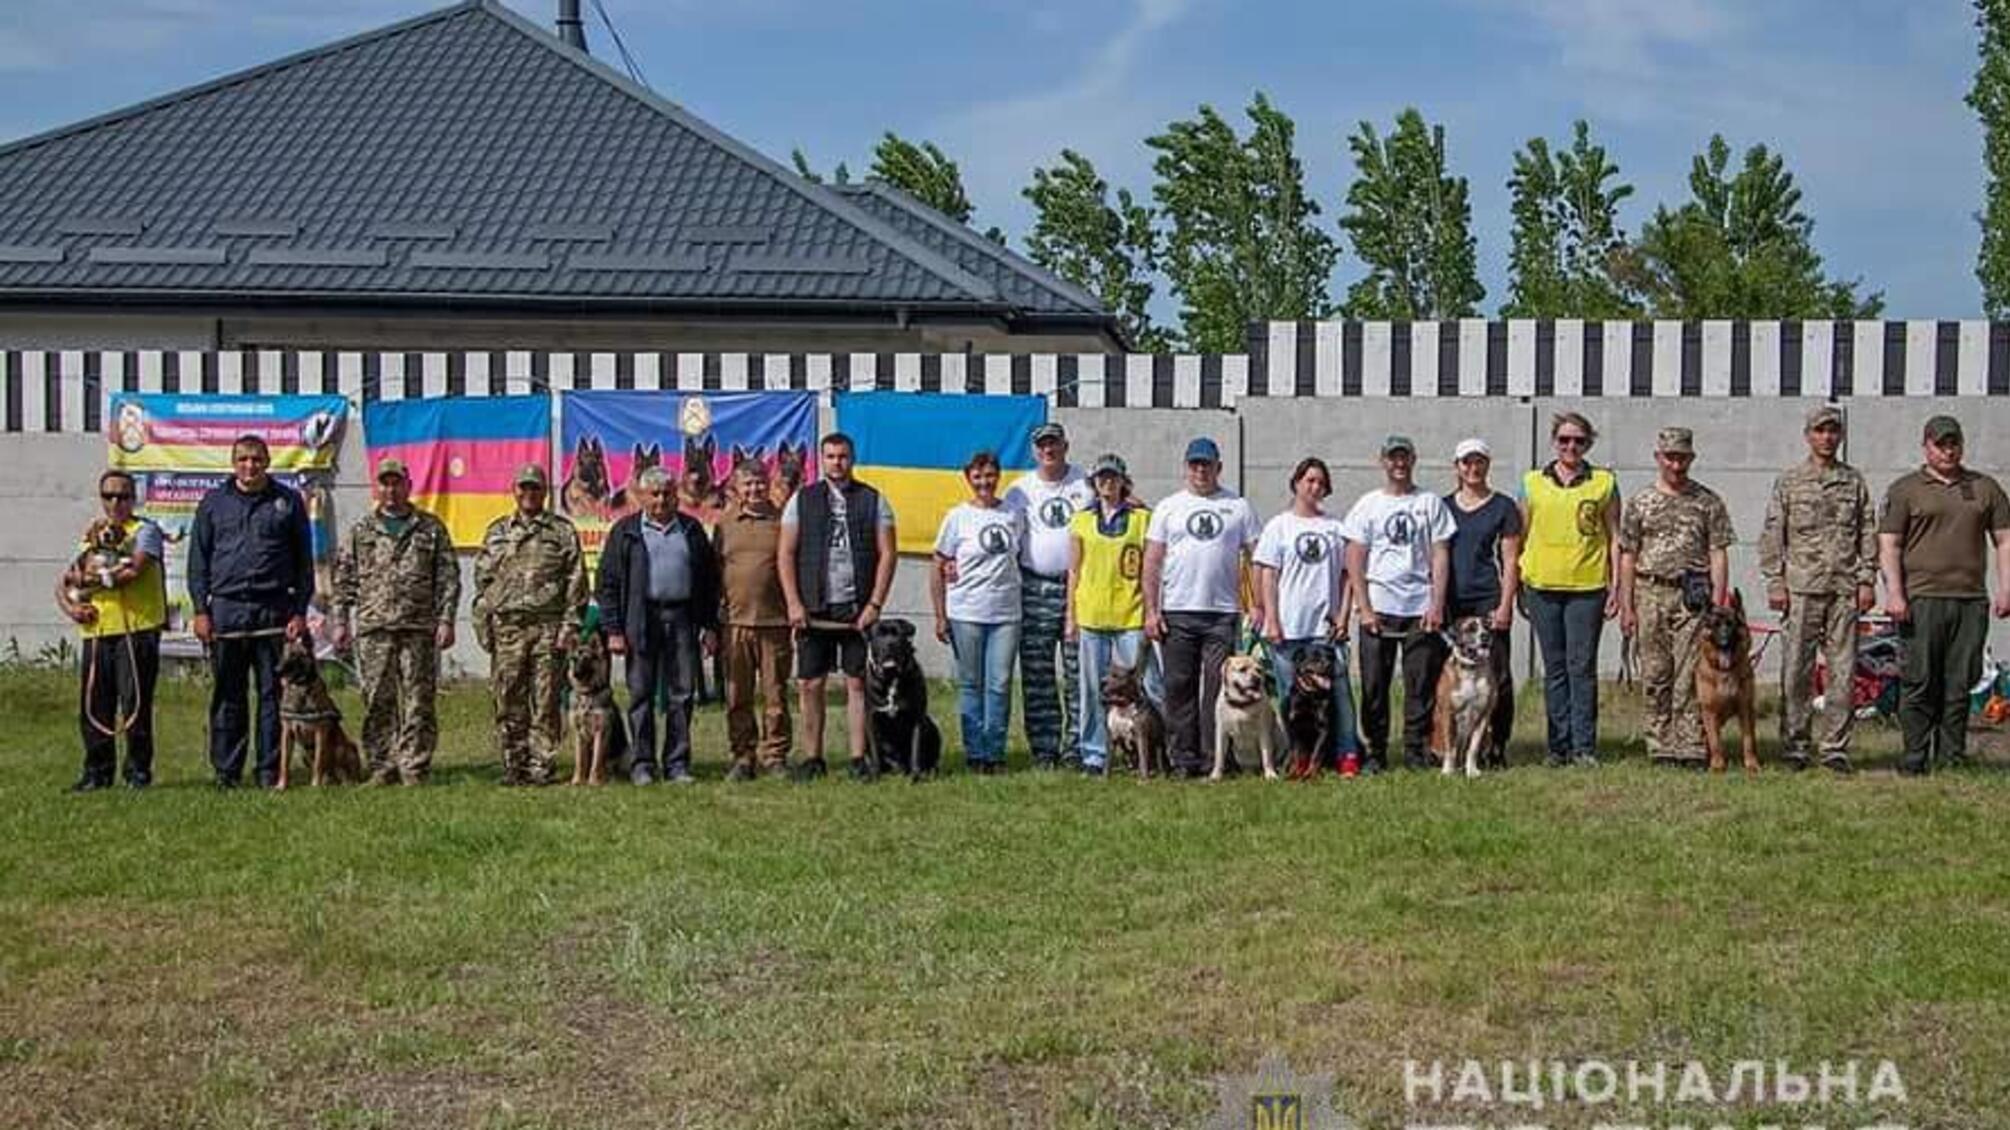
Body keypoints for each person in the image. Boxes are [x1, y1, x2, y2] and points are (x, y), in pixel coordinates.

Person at [1877, 415, 2010, 775]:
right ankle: (1915, 755)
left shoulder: (1985, 488)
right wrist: (1894, 592)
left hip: (1969, 600)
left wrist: (2005, 587)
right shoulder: (1906, 489)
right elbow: (1889, 544)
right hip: (1921, 599)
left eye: (1954, 443)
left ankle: (1951, 755)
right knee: (1919, 679)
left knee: (1960, 680)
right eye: (1941, 444)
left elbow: (2004, 540)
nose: (1948, 450)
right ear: (1927, 446)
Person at [188, 434, 314, 789]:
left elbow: (304, 562)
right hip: (226, 612)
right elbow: (198, 561)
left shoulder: (286, 502)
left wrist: (299, 611)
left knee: (272, 696)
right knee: (228, 695)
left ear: (267, 462)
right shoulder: (213, 504)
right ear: (233, 463)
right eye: (243, 459)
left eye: (256, 459)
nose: (250, 466)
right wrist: (201, 610)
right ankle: (227, 772)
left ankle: (269, 771)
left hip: (273, 612)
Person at [1758, 406, 1876, 774]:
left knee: (1843, 670)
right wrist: (1775, 581)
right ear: (1808, 435)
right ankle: (1795, 745)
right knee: (1796, 670)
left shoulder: (1853, 481)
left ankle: (1835, 748)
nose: (1827, 437)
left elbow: (1867, 531)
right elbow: (1773, 534)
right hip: (1801, 589)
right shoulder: (1790, 481)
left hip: (1842, 588)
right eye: (1820, 431)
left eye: (1833, 431)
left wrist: (1867, 579)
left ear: (1840, 436)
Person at [329, 458, 460, 785]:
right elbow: (344, 578)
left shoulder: (430, 527)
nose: (391, 490)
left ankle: (414, 766)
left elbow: (447, 577)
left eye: (397, 483)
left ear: (408, 485)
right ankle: (382, 766)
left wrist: (446, 620)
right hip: (375, 629)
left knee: (419, 701)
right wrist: (340, 621)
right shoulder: (361, 530)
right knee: (377, 701)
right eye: (385, 483)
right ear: (377, 487)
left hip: (419, 628)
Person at [778, 432, 897, 781]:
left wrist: (875, 603)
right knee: (810, 684)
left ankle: (859, 757)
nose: (837, 462)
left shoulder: (874, 500)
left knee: (857, 683)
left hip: (857, 609)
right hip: (813, 608)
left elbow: (888, 554)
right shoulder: (802, 500)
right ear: (822, 459)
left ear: (852, 458)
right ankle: (813, 757)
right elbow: (785, 553)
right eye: (830, 456)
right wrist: (793, 603)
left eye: (843, 456)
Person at [1143, 436, 1261, 778]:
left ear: (1218, 468)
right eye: (1194, 464)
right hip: (1177, 612)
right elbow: (1151, 562)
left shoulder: (1238, 506)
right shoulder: (1168, 507)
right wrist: (1152, 610)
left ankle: (1215, 760)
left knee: (1216, 690)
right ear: (1185, 468)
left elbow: (1258, 557)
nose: (1200, 470)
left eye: (1206, 464)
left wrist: (1259, 605)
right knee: (1178, 687)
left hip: (1221, 614)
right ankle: (1183, 759)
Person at [1618, 427, 1735, 768]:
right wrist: (1626, 604)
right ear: (1658, 458)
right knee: (1656, 673)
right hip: (1650, 591)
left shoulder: (1707, 502)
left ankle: (1691, 744)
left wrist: (1718, 599)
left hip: (1692, 596)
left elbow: (1718, 551)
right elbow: (1627, 553)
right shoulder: (1640, 502)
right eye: (1670, 457)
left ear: (1691, 458)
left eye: (1682, 457)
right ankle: (1660, 744)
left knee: (1690, 674)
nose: (1676, 464)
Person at [599, 465, 721, 785]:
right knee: (640, 695)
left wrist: (709, 626)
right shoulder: (625, 531)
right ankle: (642, 764)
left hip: (682, 619)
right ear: (641, 496)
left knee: (682, 694)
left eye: (668, 493)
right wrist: (613, 630)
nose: (662, 499)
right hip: (641, 620)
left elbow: (709, 583)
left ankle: (677, 763)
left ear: (676, 495)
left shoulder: (692, 530)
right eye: (654, 493)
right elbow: (607, 583)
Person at [472, 463, 589, 786]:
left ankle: (541, 766)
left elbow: (576, 582)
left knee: (546, 700)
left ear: (545, 492)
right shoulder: (497, 532)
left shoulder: (561, 531)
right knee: (508, 697)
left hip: (548, 630)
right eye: (523, 487)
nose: (529, 493)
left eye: (535, 487)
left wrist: (570, 626)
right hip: (507, 629)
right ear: (514, 491)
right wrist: (486, 624)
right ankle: (514, 765)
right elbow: (482, 580)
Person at [1343, 435, 1454, 772]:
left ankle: (1415, 750)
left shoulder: (1430, 503)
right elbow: (1354, 558)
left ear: (1413, 459)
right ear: (1383, 462)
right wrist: (1363, 608)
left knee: (1419, 685)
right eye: (1393, 458)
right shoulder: (1368, 505)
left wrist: (1436, 604)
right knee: (1374, 685)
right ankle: (1376, 751)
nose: (1399, 464)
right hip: (1379, 608)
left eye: (1404, 457)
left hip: (1419, 609)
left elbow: (1440, 554)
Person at [55, 470, 167, 791]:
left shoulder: (145, 531)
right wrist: (72, 607)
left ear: (134, 499)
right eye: (108, 496)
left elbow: (131, 571)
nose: (115, 502)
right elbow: (63, 582)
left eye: (122, 496)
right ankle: (96, 772)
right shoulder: (89, 536)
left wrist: (88, 580)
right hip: (97, 631)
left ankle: (138, 773)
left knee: (134, 704)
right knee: (94, 705)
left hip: (137, 629)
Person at [1518, 411, 1620, 767]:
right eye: (1564, 440)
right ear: (1554, 442)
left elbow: (1614, 538)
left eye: (1578, 440)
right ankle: (1557, 747)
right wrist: (1517, 584)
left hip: (1587, 587)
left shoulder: (1604, 482)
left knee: (1582, 668)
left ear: (1588, 443)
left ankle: (1584, 747)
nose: (1571, 446)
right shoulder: (1531, 482)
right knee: (1555, 668)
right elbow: (1521, 535)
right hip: (1542, 586)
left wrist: (1617, 587)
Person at [1254, 456, 1359, 770]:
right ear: (1296, 483)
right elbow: (1267, 574)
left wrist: (1342, 618)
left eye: (1320, 482)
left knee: (1339, 697)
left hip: (1325, 631)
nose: (1314, 486)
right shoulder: (1278, 526)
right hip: (1288, 630)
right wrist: (1271, 618)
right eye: (1309, 480)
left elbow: (1348, 575)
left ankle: (1347, 755)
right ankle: (1298, 759)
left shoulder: (1336, 528)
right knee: (1292, 702)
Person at [1004, 421, 1094, 769]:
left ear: (1065, 446)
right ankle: (1044, 749)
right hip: (1034, 588)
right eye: (1042, 446)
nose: (1048, 451)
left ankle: (1076, 749)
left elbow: (1120, 501)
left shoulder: (1085, 483)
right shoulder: (1019, 491)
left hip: (1078, 589)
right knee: (1038, 675)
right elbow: (1002, 535)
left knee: (1078, 674)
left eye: (1054, 444)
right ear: (1034, 451)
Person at [933, 451, 1030, 773]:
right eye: (978, 476)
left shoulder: (1014, 513)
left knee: (1000, 684)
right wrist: (939, 614)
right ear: (968, 479)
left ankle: (995, 753)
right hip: (966, 612)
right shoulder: (956, 517)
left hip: (1006, 613)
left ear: (998, 477)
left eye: (989, 475)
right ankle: (975, 752)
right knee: (971, 684)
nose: (984, 482)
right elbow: (938, 565)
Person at [1066, 453, 1158, 776]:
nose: (1107, 483)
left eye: (1114, 477)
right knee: (1093, 688)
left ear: (1123, 481)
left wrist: (1151, 611)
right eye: (1102, 478)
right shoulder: (1081, 520)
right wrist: (1071, 617)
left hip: (1130, 615)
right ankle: (1093, 754)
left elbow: (1153, 565)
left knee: (1147, 685)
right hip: (1091, 614)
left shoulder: (1141, 518)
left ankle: (1156, 751)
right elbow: (1074, 571)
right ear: (1094, 483)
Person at [713, 459, 794, 780]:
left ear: (768, 482)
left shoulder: (783, 520)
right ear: (736, 488)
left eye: (759, 482)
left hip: (775, 623)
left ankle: (775, 756)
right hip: (735, 625)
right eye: (747, 484)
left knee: (775, 696)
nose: (754, 489)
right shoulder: (724, 524)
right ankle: (743, 756)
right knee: (738, 696)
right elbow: (714, 572)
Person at [1443, 438, 1521, 766]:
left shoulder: (1503, 507)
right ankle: (1445, 748)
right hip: (1451, 603)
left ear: (1487, 465)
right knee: (1451, 682)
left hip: (1488, 599)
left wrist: (1505, 605)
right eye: (1466, 463)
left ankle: (1496, 747)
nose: (1473, 469)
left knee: (1497, 678)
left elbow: (1511, 558)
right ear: (1457, 467)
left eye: (1479, 462)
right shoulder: (1443, 505)